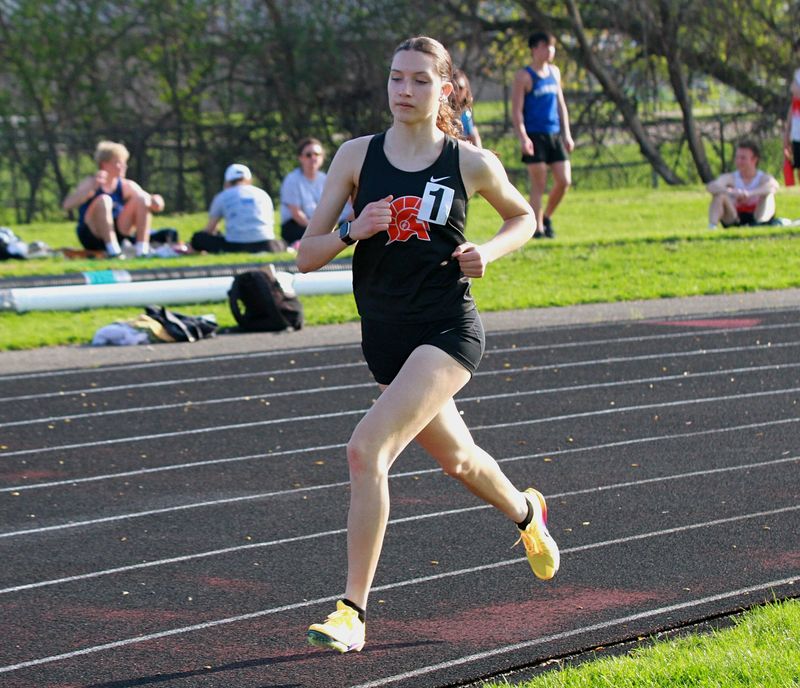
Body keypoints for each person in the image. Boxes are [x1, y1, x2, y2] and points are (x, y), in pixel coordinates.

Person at [298, 35, 559, 655]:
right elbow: (306, 255)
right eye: (395, 78)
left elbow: (522, 216)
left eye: (419, 80)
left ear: (444, 89)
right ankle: (528, 514)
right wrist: (350, 229)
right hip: (386, 340)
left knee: (367, 451)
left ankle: (351, 611)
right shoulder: (355, 157)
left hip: (447, 331)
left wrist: (486, 252)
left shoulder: (470, 162)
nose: (404, 91)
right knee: (461, 461)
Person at [512, 31, 574, 238]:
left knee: (564, 180)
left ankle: (546, 217)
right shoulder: (524, 76)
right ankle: (536, 229)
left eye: (552, 47)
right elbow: (517, 111)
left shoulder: (555, 72)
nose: (550, 51)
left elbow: (560, 105)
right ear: (534, 49)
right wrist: (523, 137)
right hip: (534, 135)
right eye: (546, 46)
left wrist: (567, 134)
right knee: (538, 184)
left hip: (554, 134)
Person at [62, 140, 165, 257]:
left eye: (124, 162)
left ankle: (142, 249)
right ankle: (113, 250)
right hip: (92, 234)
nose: (124, 166)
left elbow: (151, 202)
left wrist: (156, 200)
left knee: (141, 198)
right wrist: (89, 190)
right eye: (118, 163)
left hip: (119, 232)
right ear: (104, 164)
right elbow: (67, 205)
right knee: (104, 200)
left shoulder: (126, 185)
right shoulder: (91, 182)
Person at [190, 164, 285, 254]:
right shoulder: (263, 194)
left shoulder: (222, 196)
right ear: (249, 180)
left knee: (198, 238)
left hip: (235, 245)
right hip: (266, 244)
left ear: (227, 181)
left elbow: (210, 229)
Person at [279, 138, 352, 249]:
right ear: (300, 158)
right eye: (308, 155)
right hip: (297, 225)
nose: (313, 158)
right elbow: (296, 213)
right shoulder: (292, 180)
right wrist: (317, 231)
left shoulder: (326, 179)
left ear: (322, 157)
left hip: (320, 225)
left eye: (317, 154)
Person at [706, 141, 779, 229]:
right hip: (734, 217)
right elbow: (711, 186)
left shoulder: (762, 178)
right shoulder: (731, 178)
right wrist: (731, 192)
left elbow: (773, 186)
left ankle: (761, 224)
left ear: (754, 160)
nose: (739, 161)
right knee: (719, 195)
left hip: (757, 215)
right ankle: (712, 227)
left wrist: (749, 193)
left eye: (743, 158)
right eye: (737, 158)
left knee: (768, 195)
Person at [783, 39, 800, 186]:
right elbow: (793, 104)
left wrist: (797, 90)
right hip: (797, 130)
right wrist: (787, 132)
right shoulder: (798, 73)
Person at [453, 69, 482, 148]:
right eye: (454, 87)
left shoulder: (466, 113)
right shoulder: (442, 112)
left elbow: (473, 134)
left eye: (460, 88)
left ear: (466, 90)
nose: (456, 92)